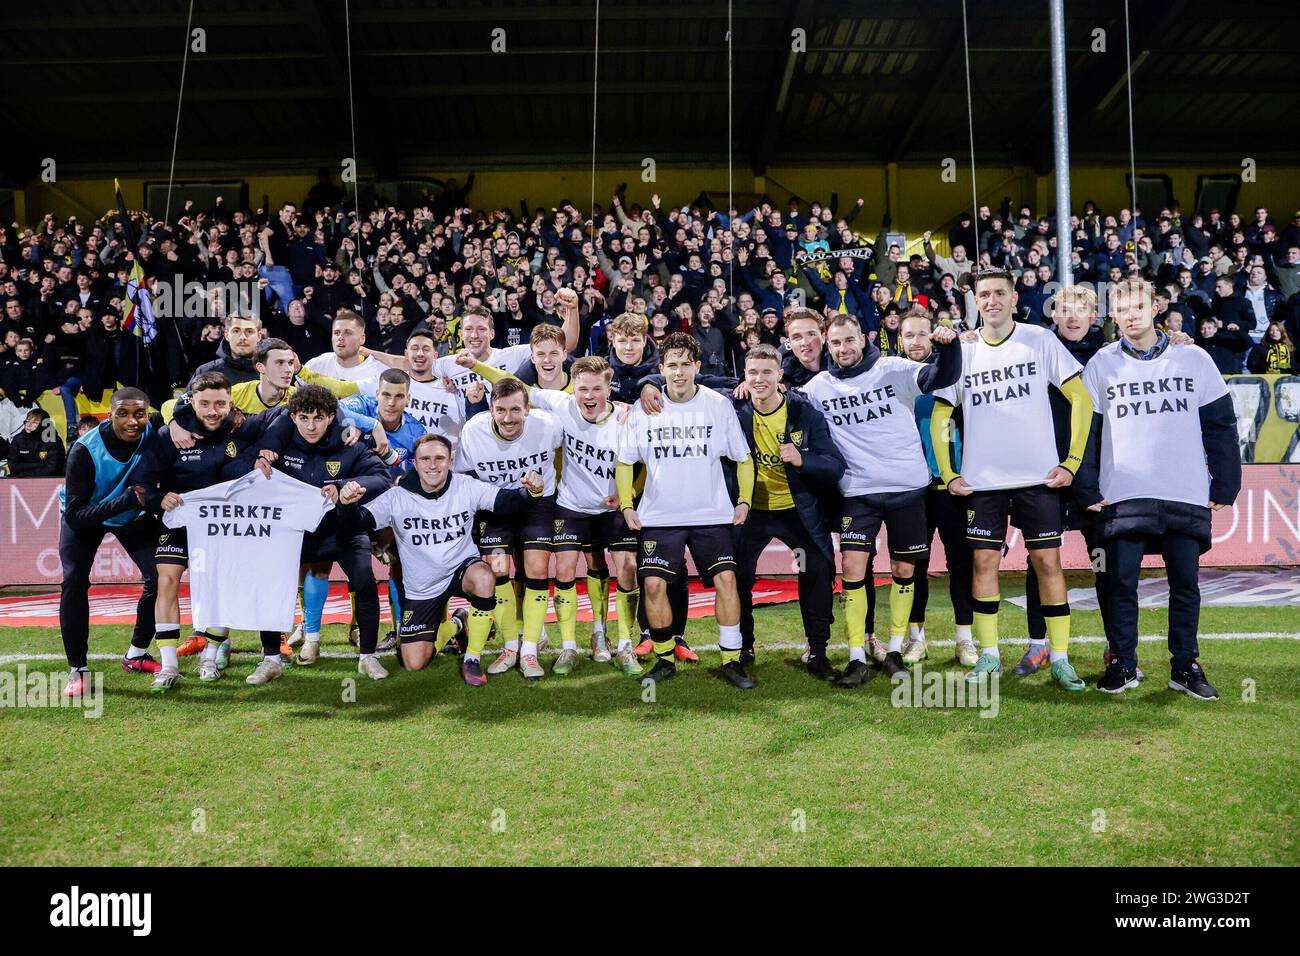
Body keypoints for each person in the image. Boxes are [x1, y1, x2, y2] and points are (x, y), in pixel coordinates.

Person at [1076, 277, 1241, 697]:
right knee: (1120, 584)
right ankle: (1125, 664)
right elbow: (1087, 433)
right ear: (1113, 315)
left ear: (1156, 308)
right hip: (1123, 492)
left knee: (1185, 585)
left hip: (1183, 491)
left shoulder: (1195, 359)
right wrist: (1088, 487)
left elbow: (1220, 425)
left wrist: (1226, 482)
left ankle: (1185, 666)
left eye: (1137, 306)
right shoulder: (1101, 363)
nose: (1129, 314)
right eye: (1121, 307)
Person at [929, 269, 1093, 691]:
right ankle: (989, 656)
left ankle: (1059, 658)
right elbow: (940, 415)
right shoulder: (963, 350)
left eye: (1000, 292)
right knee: (983, 564)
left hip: (1038, 478)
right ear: (976, 301)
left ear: (1014, 297)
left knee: (1047, 564)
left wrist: (1071, 461)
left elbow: (1081, 398)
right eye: (984, 294)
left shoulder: (1039, 339)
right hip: (983, 483)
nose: (992, 300)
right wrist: (949, 473)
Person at [802, 311, 960, 686]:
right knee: (853, 570)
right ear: (829, 345)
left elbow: (944, 376)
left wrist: (949, 348)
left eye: (849, 340)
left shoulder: (894, 369)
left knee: (905, 571)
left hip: (908, 489)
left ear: (863, 339)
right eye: (836, 342)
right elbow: (775, 395)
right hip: (858, 493)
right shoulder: (818, 388)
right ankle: (856, 656)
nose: (843, 348)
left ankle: (892, 650)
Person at [469, 354, 642, 676]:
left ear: (610, 388)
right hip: (571, 505)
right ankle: (568, 648)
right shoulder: (560, 406)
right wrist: (475, 366)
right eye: (582, 389)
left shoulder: (627, 418)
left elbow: (644, 461)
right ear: (572, 389)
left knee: (628, 567)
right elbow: (516, 387)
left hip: (612, 508)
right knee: (563, 568)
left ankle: (622, 644)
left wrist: (629, 492)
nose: (588, 396)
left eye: (596, 389)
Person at [336, 435, 545, 686]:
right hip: (423, 586)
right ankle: (459, 623)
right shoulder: (397, 497)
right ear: (415, 462)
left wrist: (533, 491)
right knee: (414, 663)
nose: (432, 465)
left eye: (439, 458)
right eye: (425, 459)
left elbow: (507, 502)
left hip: (461, 569)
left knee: (484, 576)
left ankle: (472, 659)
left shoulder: (466, 486)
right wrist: (346, 504)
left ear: (450, 461)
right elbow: (356, 522)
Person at [617, 333, 756, 689]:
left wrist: (744, 500)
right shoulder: (643, 408)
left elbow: (742, 458)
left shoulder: (718, 405)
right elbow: (625, 463)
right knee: (653, 584)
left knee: (727, 581)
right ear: (661, 369)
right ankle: (664, 659)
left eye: (685, 365)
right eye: (672, 365)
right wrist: (628, 505)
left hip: (711, 514)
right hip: (659, 516)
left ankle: (731, 660)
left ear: (697, 366)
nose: (679, 372)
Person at [131, 371, 278, 690]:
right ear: (192, 402)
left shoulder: (242, 429)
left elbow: (279, 417)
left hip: (222, 525)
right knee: (166, 580)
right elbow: (141, 485)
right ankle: (168, 665)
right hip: (180, 521)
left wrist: (265, 452)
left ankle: (209, 657)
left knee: (219, 588)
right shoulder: (169, 435)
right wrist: (158, 497)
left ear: (231, 404)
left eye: (220, 404)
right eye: (205, 403)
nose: (213, 411)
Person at [250, 385, 391, 682]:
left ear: (331, 417)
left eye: (318, 418)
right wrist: (255, 463)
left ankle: (368, 656)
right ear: (293, 418)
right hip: (295, 532)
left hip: (343, 529)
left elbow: (382, 478)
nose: (311, 426)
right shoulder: (280, 443)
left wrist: (345, 486)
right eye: (304, 418)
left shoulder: (349, 441)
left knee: (365, 580)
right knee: (271, 585)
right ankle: (270, 658)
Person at [454, 377, 563, 680]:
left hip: (538, 502)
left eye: (515, 410)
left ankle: (529, 651)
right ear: (490, 409)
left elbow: (575, 446)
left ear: (528, 410)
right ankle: (510, 646)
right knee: (498, 571)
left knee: (536, 568)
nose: (508, 418)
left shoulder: (548, 425)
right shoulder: (473, 432)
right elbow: (461, 474)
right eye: (500, 410)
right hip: (497, 504)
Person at [57, 388, 161, 697]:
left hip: (131, 514)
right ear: (110, 415)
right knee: (74, 581)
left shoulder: (154, 430)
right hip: (88, 517)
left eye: (139, 414)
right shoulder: (84, 450)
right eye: (123, 414)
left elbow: (183, 410)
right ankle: (78, 669)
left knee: (161, 576)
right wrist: (127, 500)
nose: (132, 421)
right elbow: (75, 516)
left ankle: (137, 654)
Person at [902, 310, 979, 667]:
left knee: (960, 564)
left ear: (934, 336)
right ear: (900, 340)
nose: (916, 341)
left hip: (952, 485)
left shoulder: (953, 370)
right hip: (912, 489)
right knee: (914, 565)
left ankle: (965, 638)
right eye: (909, 335)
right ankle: (916, 638)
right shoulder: (894, 377)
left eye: (922, 334)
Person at [7, 410, 66, 477]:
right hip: (21, 480)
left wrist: (26, 472)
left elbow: (52, 468)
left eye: (35, 422)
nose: (29, 425)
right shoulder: (18, 439)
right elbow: (13, 466)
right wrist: (40, 465)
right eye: (27, 421)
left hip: (48, 482)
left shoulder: (53, 440)